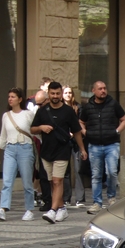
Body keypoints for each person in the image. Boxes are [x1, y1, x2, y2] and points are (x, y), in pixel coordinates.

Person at [30, 81, 87, 223]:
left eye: (57, 93)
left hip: (62, 150)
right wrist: (42, 127)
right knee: (52, 182)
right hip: (46, 151)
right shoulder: (42, 111)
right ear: (48, 94)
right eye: (52, 93)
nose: (55, 96)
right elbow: (32, 129)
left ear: (61, 94)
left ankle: (53, 210)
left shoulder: (68, 111)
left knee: (57, 180)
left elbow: (77, 131)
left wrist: (82, 149)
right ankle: (62, 208)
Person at [79, 81, 125, 215]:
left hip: (111, 144)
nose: (103, 91)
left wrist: (117, 131)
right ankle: (97, 202)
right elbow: (81, 121)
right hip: (94, 145)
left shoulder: (113, 104)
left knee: (111, 172)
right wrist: (85, 132)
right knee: (96, 175)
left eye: (105, 88)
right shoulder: (88, 107)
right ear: (93, 91)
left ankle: (111, 198)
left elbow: (124, 119)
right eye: (100, 89)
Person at [0, 88, 36, 222]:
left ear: (20, 99)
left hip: (25, 148)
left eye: (13, 97)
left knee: (27, 181)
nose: (10, 99)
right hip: (10, 149)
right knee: (7, 181)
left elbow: (35, 132)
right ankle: (3, 208)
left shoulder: (28, 114)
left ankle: (29, 209)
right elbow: (3, 136)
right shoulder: (6, 115)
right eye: (9, 96)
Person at [63, 85, 85, 207]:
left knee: (78, 169)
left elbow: (80, 123)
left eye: (70, 92)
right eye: (65, 92)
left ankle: (80, 198)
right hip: (64, 141)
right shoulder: (59, 108)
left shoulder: (78, 108)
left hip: (76, 141)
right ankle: (66, 198)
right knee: (65, 171)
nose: (68, 95)